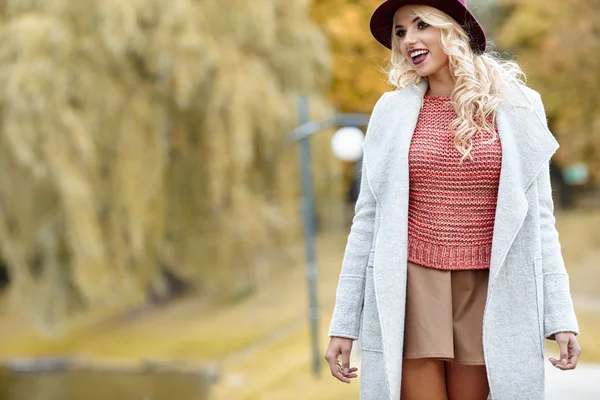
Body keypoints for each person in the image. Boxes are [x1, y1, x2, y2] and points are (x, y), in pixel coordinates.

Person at [323, 1, 581, 399]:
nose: (410, 39)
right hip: (410, 285)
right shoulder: (390, 112)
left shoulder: (518, 107)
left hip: (490, 288)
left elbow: (540, 220)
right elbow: (367, 221)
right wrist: (343, 323)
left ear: (452, 29)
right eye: (401, 32)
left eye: (421, 25)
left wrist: (560, 315)